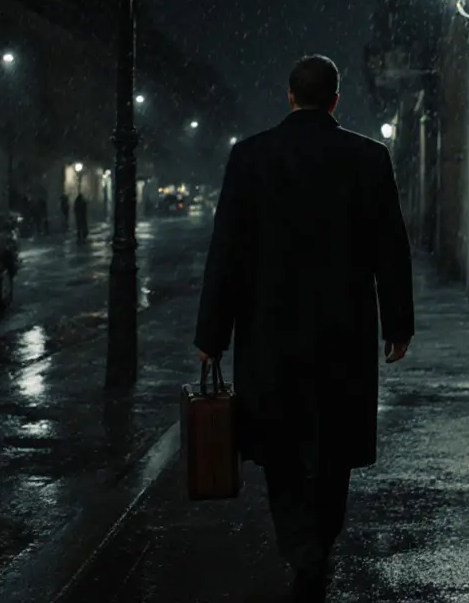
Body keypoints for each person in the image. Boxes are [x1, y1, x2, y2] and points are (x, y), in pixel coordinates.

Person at [194, 54, 414, 601]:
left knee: (279, 444)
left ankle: (300, 545)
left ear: (290, 96)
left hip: (270, 329)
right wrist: (398, 324)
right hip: (343, 328)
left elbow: (226, 252)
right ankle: (320, 538)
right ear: (335, 100)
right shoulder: (369, 157)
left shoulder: (250, 157)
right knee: (334, 443)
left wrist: (212, 335)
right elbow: (391, 247)